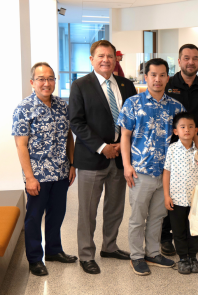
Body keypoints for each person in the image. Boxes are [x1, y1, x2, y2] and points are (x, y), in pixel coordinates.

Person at [119, 58, 198, 276]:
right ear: (146, 77)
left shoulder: (176, 106)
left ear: (168, 77)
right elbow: (125, 136)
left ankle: (152, 252)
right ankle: (137, 256)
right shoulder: (132, 103)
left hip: (168, 174)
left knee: (158, 218)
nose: (157, 79)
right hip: (141, 172)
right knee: (138, 218)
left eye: (162, 75)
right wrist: (126, 166)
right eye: (153, 75)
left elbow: (189, 129)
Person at [69, 40, 137, 275]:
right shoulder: (80, 85)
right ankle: (86, 255)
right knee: (88, 210)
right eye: (100, 56)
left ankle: (110, 246)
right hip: (92, 158)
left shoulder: (126, 85)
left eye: (110, 56)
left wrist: (122, 146)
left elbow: (132, 120)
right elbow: (76, 122)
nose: (106, 60)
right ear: (91, 59)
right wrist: (102, 147)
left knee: (115, 207)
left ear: (116, 59)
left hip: (120, 158)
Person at [12, 62, 77, 276]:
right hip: (38, 174)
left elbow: (69, 136)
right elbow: (21, 145)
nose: (46, 83)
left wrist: (72, 163)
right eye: (41, 79)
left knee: (57, 214)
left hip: (61, 171)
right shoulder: (23, 109)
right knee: (34, 216)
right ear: (32, 82)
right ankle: (34, 258)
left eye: (50, 78)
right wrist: (29, 177)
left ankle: (53, 250)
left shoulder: (62, 105)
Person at [160, 43, 198, 256]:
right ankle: (165, 237)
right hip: (169, 149)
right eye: (186, 58)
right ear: (179, 61)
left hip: (195, 151)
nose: (191, 62)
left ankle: (191, 237)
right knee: (169, 197)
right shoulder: (167, 84)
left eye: (195, 58)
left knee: (192, 196)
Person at [163, 112, 198, 274]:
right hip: (177, 199)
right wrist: (167, 195)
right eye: (182, 127)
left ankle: (193, 257)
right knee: (179, 230)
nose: (186, 130)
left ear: (196, 130)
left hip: (195, 200)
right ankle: (182, 258)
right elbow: (166, 172)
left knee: (194, 230)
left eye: (190, 127)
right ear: (176, 131)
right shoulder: (172, 149)